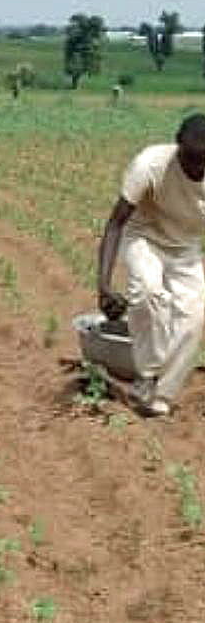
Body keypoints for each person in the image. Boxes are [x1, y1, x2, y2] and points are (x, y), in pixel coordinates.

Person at [97, 113, 205, 416]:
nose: (195, 168)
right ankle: (146, 375)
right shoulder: (150, 164)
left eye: (203, 162)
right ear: (177, 146)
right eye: (190, 159)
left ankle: (161, 396)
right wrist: (103, 286)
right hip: (145, 237)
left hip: (186, 248)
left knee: (195, 318)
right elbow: (116, 224)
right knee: (147, 291)